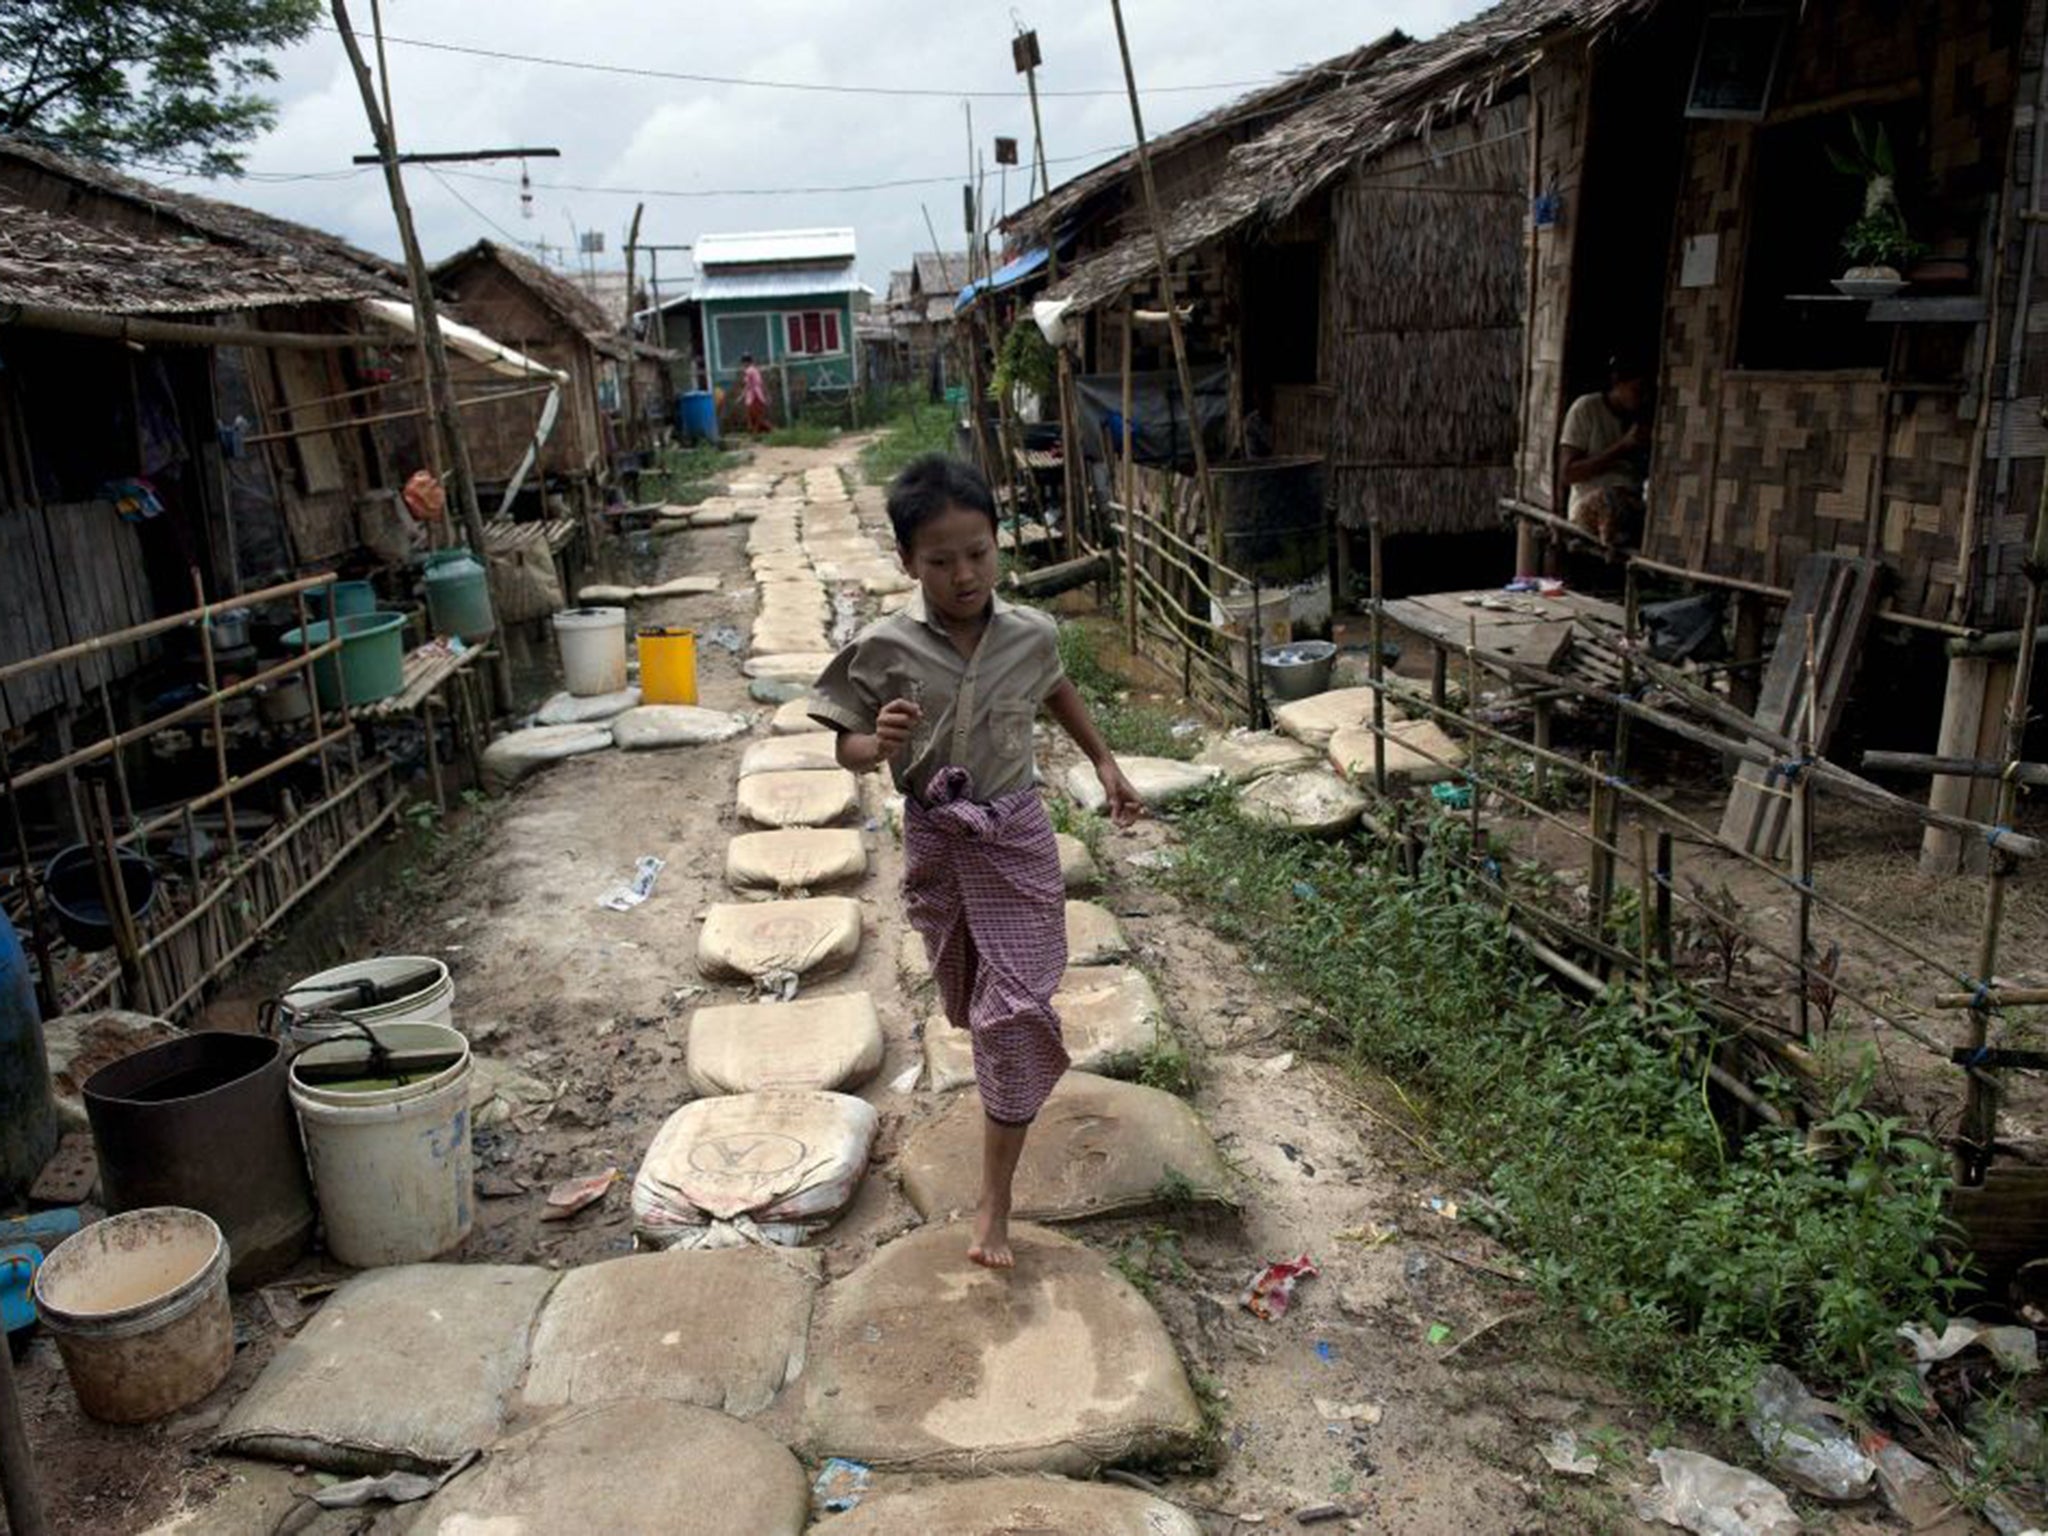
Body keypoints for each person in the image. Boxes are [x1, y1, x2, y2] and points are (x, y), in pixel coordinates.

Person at [809, 454, 1143, 1269]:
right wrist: (873, 742)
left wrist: (1104, 761)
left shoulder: (1031, 634)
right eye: (940, 560)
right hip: (937, 845)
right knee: (966, 998)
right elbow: (845, 746)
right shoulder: (882, 647)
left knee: (1014, 1013)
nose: (964, 575)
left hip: (1016, 838)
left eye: (979, 554)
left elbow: (1056, 689)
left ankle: (994, 1205)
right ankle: (1004, 1083)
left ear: (999, 546)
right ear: (906, 562)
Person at [1558, 356, 1650, 547]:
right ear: (1617, 382)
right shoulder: (1586, 409)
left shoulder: (1640, 419)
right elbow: (1568, 474)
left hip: (1628, 505)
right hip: (1590, 510)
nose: (1641, 398)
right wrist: (1622, 447)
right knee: (1608, 499)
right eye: (1636, 390)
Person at [740, 353, 770, 434]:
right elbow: (761, 383)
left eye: (744, 362)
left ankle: (753, 429)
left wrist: (742, 396)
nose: (743, 364)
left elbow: (747, 385)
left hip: (753, 393)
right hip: (758, 392)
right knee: (758, 414)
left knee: (750, 410)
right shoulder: (755, 369)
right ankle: (755, 429)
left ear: (747, 362)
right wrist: (766, 394)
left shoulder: (749, 370)